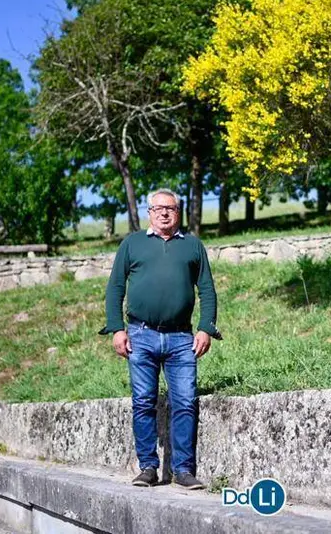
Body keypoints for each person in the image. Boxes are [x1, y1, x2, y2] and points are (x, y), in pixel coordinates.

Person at [99, 188, 221, 490]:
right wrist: (117, 328)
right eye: (158, 208)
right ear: (149, 212)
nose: (164, 213)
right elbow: (115, 288)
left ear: (178, 212)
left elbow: (207, 289)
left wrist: (206, 327)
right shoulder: (133, 244)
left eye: (170, 208)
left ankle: (183, 470)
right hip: (140, 335)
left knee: (185, 402)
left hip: (181, 338)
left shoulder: (193, 246)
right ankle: (148, 468)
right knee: (143, 402)